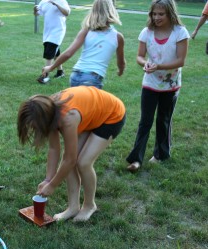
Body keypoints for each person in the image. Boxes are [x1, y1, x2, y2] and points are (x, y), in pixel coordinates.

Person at [17, 86, 126, 222]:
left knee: (83, 162)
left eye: (35, 126)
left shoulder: (68, 118)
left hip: (111, 115)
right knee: (68, 160)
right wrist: (48, 180)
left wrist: (53, 186)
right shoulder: (46, 110)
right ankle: (73, 207)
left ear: (44, 119)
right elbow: (54, 149)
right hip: (90, 114)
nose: (34, 129)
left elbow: (70, 160)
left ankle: (89, 205)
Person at [126, 0, 189, 172]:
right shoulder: (147, 32)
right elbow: (139, 56)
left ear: (170, 13)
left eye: (161, 14)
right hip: (150, 84)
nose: (157, 17)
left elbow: (180, 61)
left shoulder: (180, 32)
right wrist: (145, 63)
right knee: (145, 121)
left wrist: (159, 66)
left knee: (163, 120)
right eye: (154, 14)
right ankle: (136, 159)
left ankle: (161, 154)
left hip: (171, 85)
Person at [41, 0, 125, 89]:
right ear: (112, 11)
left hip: (75, 75)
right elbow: (121, 62)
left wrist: (51, 67)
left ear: (93, 11)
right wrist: (120, 70)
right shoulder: (118, 37)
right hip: (92, 79)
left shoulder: (86, 31)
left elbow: (69, 53)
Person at [34, 0, 71, 84]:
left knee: (49, 52)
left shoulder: (61, 1)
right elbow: (37, 13)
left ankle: (45, 76)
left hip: (58, 31)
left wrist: (57, 4)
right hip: (48, 31)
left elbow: (67, 13)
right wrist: (35, 10)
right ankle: (60, 72)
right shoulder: (44, 1)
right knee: (55, 52)